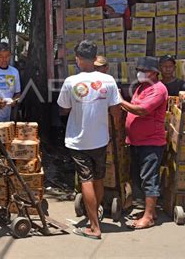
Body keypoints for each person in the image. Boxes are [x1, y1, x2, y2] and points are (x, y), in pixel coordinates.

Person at [57, 40, 122, 239]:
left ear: (77, 59)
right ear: (95, 59)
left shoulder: (71, 82)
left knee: (86, 179)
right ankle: (96, 214)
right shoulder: (109, 80)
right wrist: (117, 132)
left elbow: (63, 109)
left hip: (78, 140)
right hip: (101, 138)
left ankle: (94, 226)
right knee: (98, 177)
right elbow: (116, 110)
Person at [120, 56, 168, 230]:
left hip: (151, 142)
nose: (140, 73)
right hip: (136, 141)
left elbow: (141, 110)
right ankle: (151, 211)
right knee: (138, 177)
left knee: (149, 178)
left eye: (144, 70)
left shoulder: (158, 89)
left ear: (155, 73)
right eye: (139, 70)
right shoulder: (141, 87)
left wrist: (120, 101)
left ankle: (148, 217)